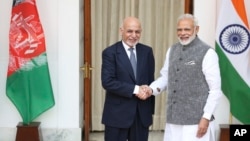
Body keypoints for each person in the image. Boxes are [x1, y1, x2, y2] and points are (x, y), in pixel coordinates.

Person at [142, 13, 223, 141]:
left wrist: (206, 117)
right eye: (179, 29)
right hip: (173, 119)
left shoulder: (208, 52)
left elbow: (215, 90)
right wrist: (151, 89)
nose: (182, 33)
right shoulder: (172, 50)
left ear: (196, 29)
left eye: (187, 29)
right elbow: (165, 77)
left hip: (197, 121)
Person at [101, 16, 155, 141]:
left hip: (141, 114)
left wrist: (148, 94)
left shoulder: (147, 51)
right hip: (117, 115)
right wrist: (136, 90)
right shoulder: (110, 52)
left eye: (137, 32)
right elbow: (107, 82)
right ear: (121, 31)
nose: (134, 35)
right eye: (130, 31)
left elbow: (150, 80)